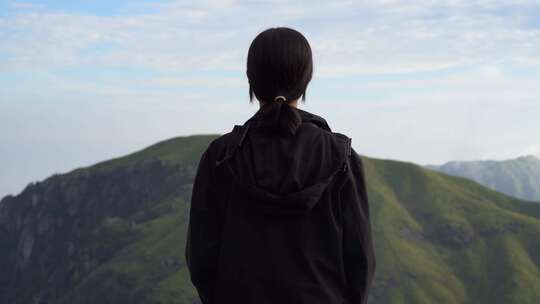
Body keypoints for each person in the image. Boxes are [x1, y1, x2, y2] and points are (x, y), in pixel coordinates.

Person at [185, 27, 376, 304]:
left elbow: (202, 258)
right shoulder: (340, 156)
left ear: (250, 78)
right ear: (307, 78)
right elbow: (360, 259)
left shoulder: (220, 155)